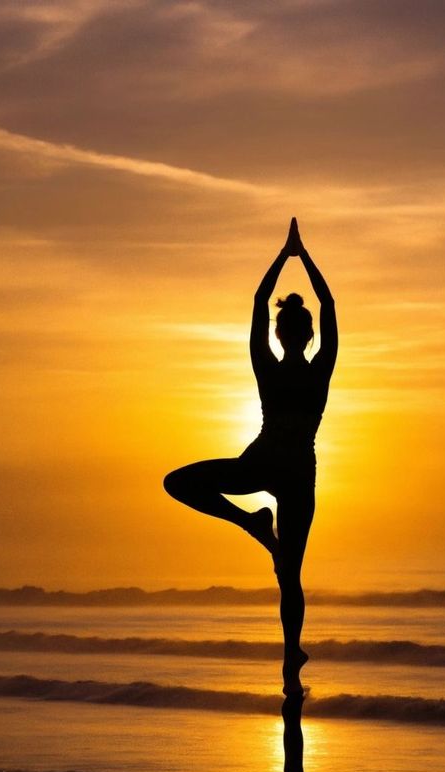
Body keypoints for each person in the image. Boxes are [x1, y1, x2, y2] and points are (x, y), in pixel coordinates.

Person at [163, 218, 338, 694]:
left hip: (263, 464)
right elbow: (329, 305)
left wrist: (285, 257)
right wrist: (306, 257)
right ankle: (290, 663)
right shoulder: (321, 369)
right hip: (298, 472)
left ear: (281, 335)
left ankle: (250, 525)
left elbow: (260, 304)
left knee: (176, 482)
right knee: (291, 575)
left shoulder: (267, 365)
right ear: (306, 335)